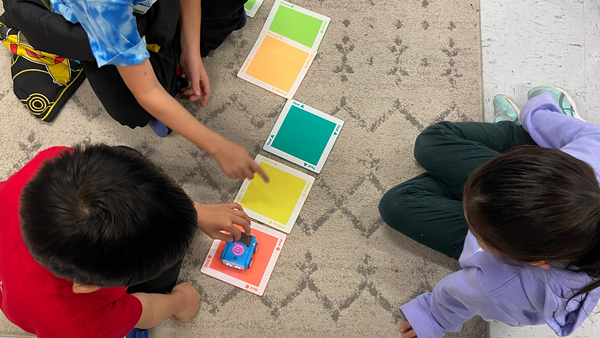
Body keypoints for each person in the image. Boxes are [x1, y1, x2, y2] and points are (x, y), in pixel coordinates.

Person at [379, 86, 600, 338]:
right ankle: (526, 141)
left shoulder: (504, 285)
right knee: (429, 143)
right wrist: (535, 114)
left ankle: (522, 146)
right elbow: (578, 132)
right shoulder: (593, 154)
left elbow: (458, 297)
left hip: (521, 204)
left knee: (396, 204)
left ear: (532, 260)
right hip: (527, 178)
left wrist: (432, 317)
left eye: (475, 228)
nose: (465, 211)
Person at [0, 144, 254, 338]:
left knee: (125, 155)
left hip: (23, 274)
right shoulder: (80, 322)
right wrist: (181, 302)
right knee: (162, 272)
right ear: (89, 287)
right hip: (57, 318)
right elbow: (144, 310)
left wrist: (190, 211)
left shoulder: (55, 159)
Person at [1, 0, 269, 182]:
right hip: (97, 21)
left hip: (130, 14)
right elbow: (147, 91)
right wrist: (219, 147)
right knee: (133, 108)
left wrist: (191, 51)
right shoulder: (104, 7)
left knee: (215, 17)